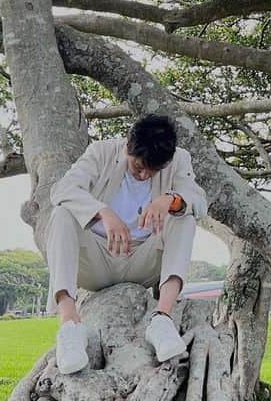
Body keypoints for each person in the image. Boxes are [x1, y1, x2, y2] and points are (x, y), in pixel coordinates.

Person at [46, 114, 207, 374]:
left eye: (152, 171)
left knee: (185, 218)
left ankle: (162, 318)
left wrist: (170, 200)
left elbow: (199, 201)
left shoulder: (179, 160)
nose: (144, 175)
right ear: (128, 147)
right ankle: (70, 325)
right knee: (61, 214)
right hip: (97, 259)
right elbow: (63, 190)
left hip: (142, 262)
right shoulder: (101, 152)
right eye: (138, 166)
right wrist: (103, 212)